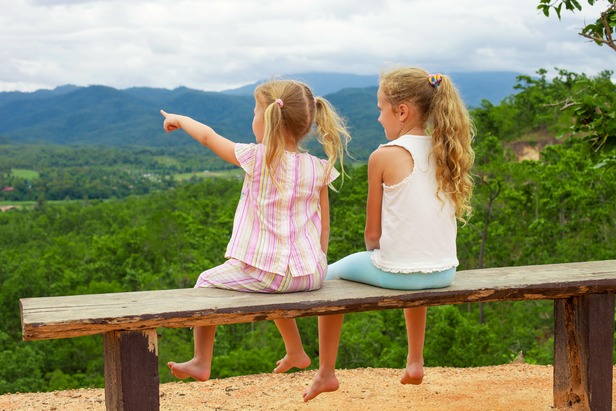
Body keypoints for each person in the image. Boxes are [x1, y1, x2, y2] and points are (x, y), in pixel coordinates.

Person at [161, 79, 350, 382]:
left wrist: (180, 120)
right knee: (273, 278)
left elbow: (209, 138)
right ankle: (295, 351)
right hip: (311, 274)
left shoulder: (257, 157)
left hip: (272, 274)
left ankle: (201, 361)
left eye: (254, 112)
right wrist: (317, 262)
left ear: (268, 120)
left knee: (206, 281)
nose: (253, 118)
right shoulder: (319, 167)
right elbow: (324, 224)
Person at [303, 67, 475, 402]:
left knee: (328, 277)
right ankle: (415, 360)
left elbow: (373, 234)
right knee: (412, 259)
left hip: (399, 272)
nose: (378, 117)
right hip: (444, 272)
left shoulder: (383, 156)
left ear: (402, 111)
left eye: (381, 109)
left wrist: (376, 254)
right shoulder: (447, 152)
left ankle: (325, 373)